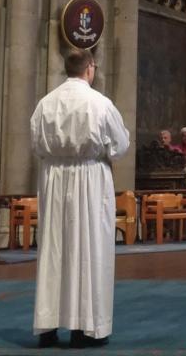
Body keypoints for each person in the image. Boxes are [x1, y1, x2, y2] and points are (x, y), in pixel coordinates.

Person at [31, 48, 132, 348]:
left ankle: (48, 327)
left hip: (55, 178)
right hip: (89, 178)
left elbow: (36, 144)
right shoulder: (100, 104)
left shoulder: (45, 104)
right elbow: (120, 146)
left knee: (54, 249)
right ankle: (85, 329)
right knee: (89, 248)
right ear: (90, 68)